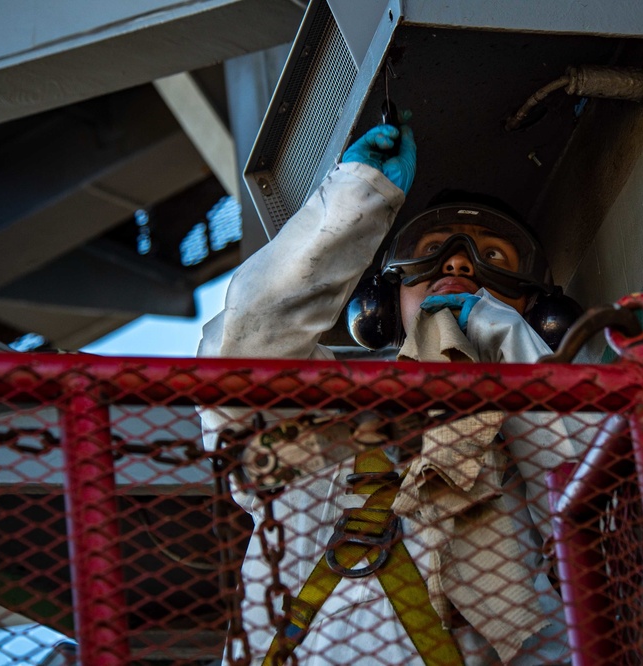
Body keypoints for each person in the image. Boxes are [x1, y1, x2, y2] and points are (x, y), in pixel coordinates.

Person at [198, 118, 584, 665]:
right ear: (384, 298)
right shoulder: (329, 420)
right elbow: (245, 348)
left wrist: (513, 351)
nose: (456, 265)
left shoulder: (544, 431)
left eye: (493, 259)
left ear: (535, 309)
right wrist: (355, 199)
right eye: (430, 251)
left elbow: (589, 512)